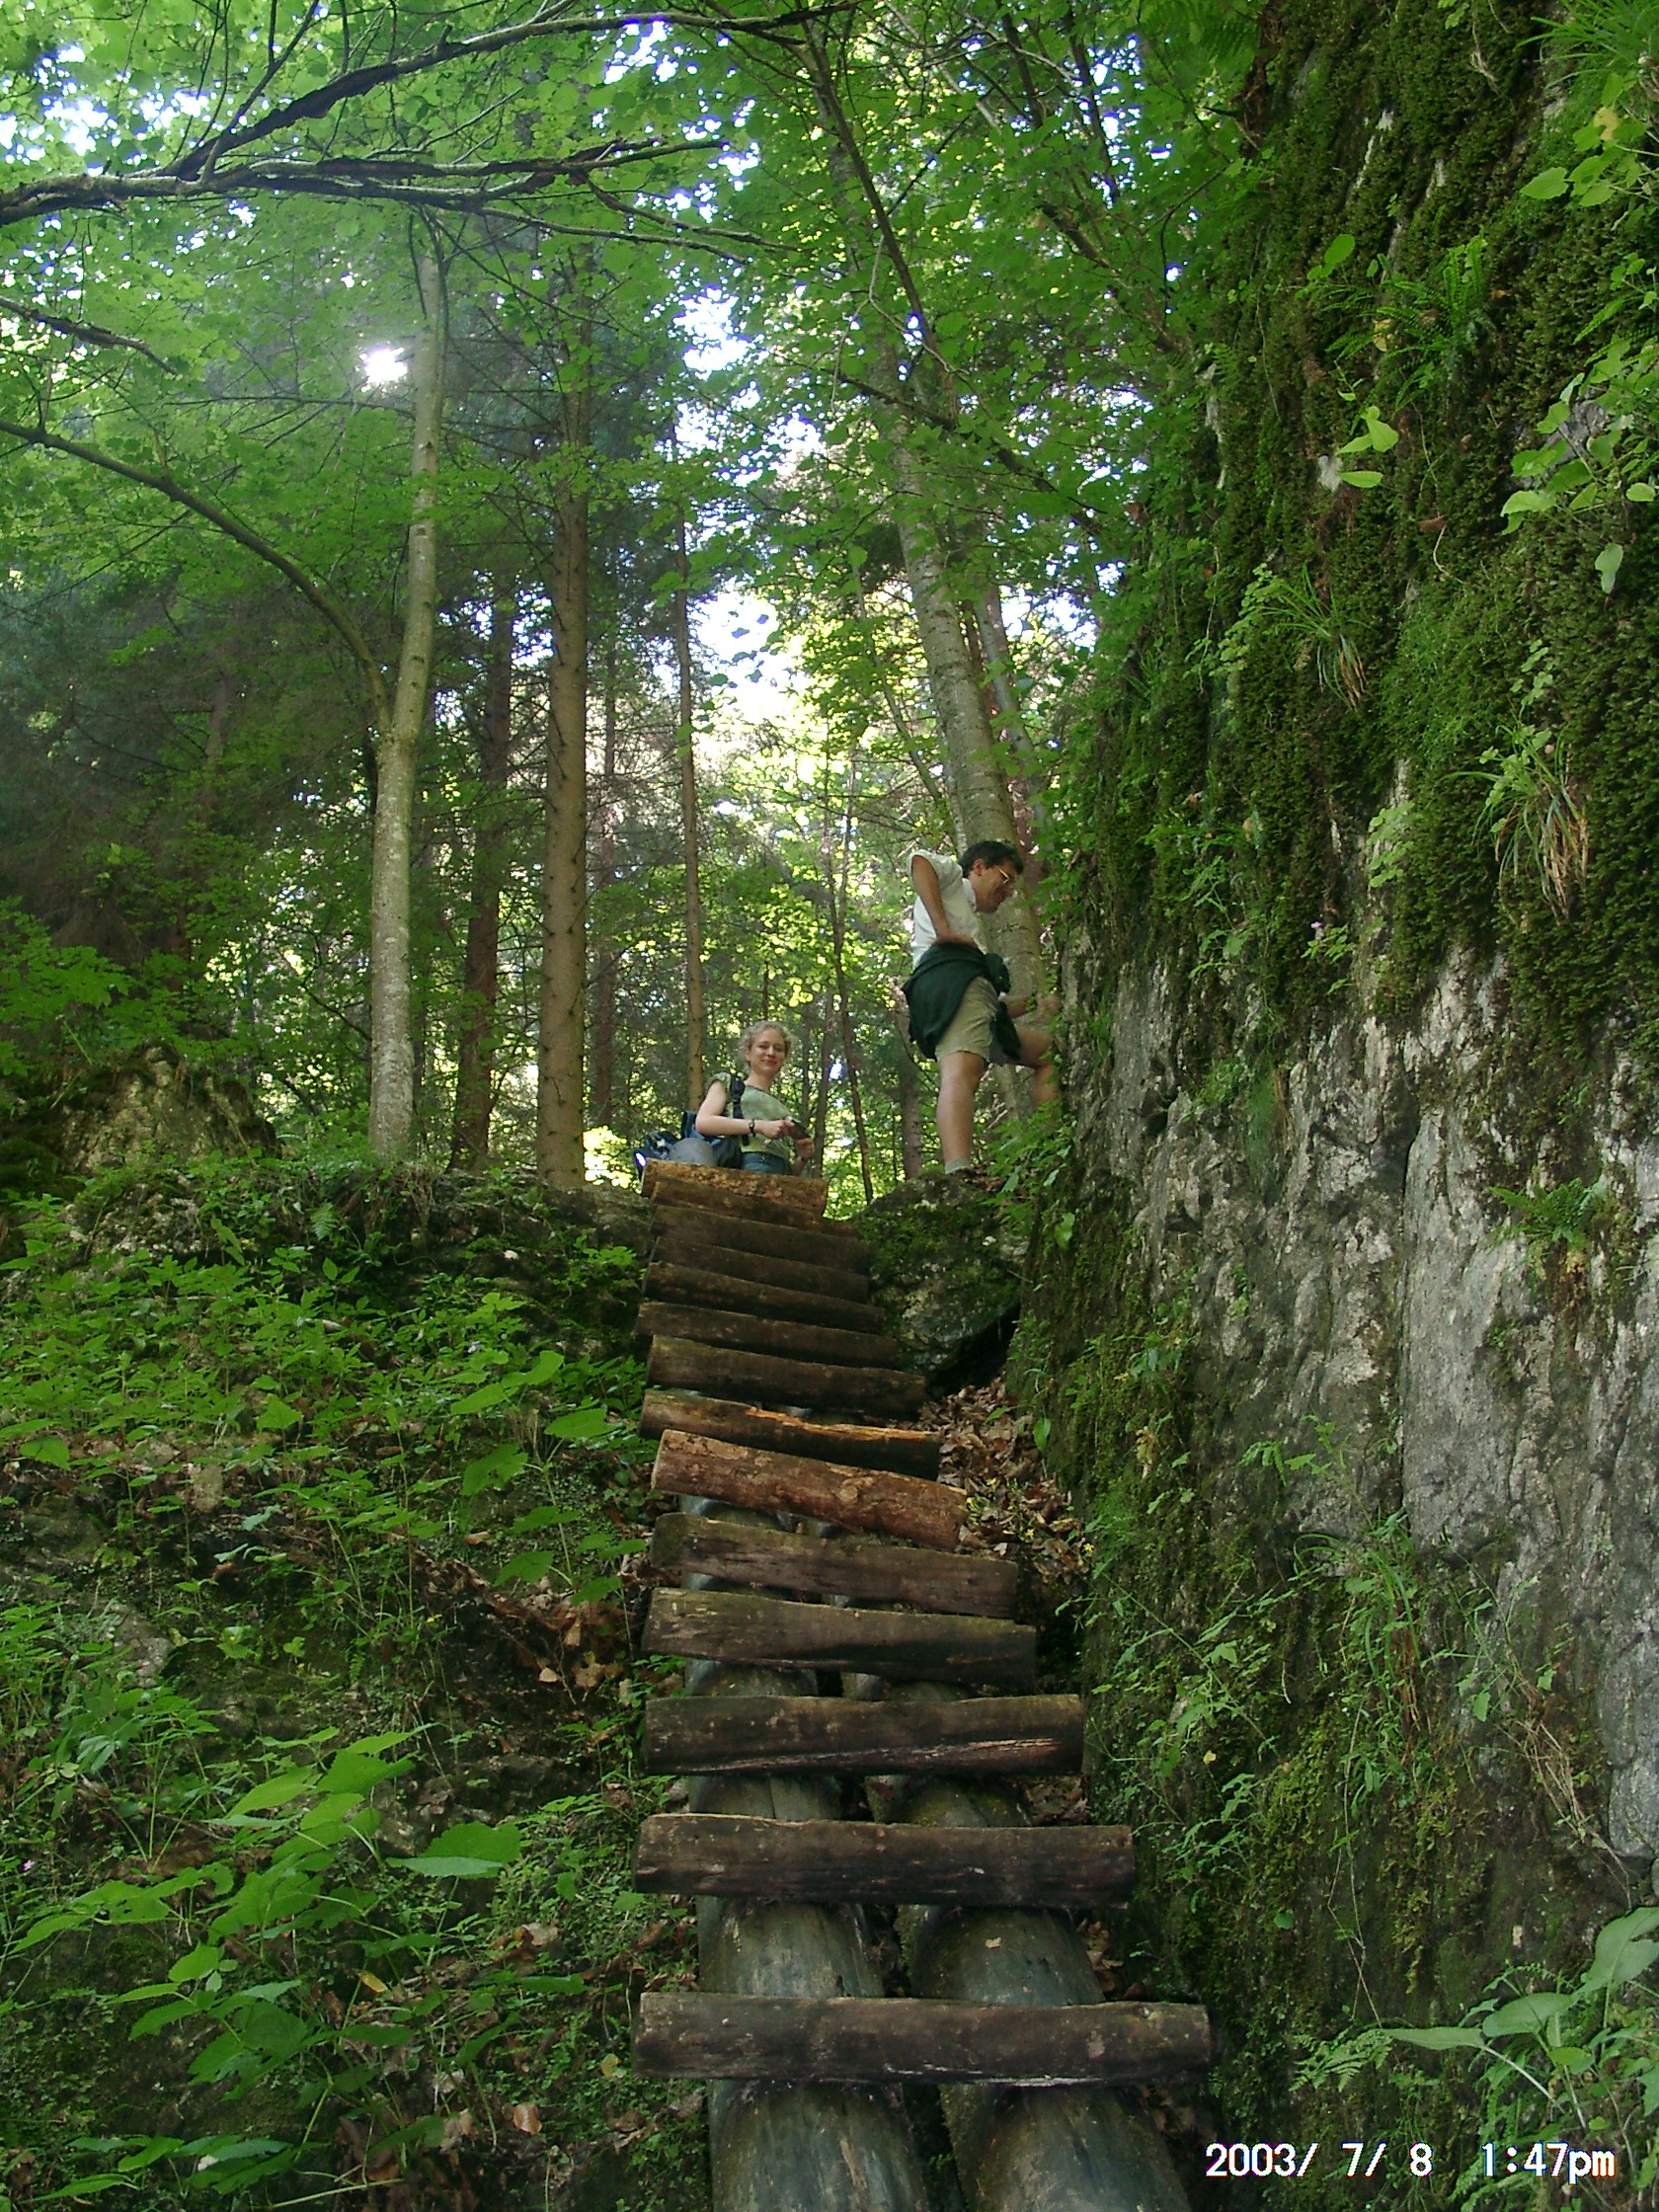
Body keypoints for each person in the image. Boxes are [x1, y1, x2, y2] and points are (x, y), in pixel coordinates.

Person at [902, 841, 1056, 1173]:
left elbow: (986, 1005)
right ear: (980, 867)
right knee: (961, 1069)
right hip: (948, 980)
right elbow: (919, 861)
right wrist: (944, 931)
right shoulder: (953, 880)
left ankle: (1047, 1152)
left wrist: (1034, 1002)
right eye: (1006, 878)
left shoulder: (970, 925)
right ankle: (959, 1173)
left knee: (1047, 1053)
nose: (1008, 892)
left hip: (967, 995)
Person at [694, 1020, 816, 1175]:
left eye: (778, 1049)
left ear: (784, 1058)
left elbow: (789, 1175)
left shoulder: (782, 1108)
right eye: (763, 1046)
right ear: (747, 1053)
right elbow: (703, 1122)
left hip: (781, 1172)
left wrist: (803, 1158)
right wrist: (758, 1126)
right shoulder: (728, 1084)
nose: (771, 1053)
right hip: (748, 1164)